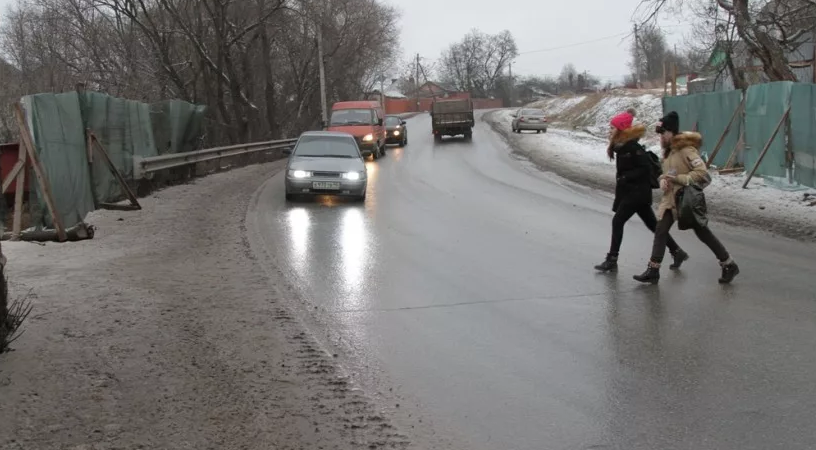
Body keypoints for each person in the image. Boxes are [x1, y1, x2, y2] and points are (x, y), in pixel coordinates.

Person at [633, 111, 740, 284]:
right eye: (659, 134)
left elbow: (701, 172)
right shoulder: (668, 153)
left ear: (672, 132)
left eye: (663, 133)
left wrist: (679, 179)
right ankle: (653, 270)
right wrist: (662, 181)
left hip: (686, 201)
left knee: (702, 232)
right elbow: (665, 173)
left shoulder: (686, 150)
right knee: (660, 231)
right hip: (670, 201)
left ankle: (729, 264)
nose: (660, 137)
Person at [595, 111, 689, 272]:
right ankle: (677, 252)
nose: (609, 130)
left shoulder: (631, 146)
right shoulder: (623, 145)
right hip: (635, 193)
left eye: (612, 127)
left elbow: (645, 168)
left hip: (636, 193)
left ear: (621, 129)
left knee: (618, 221)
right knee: (654, 225)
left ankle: (612, 259)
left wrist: (625, 177)